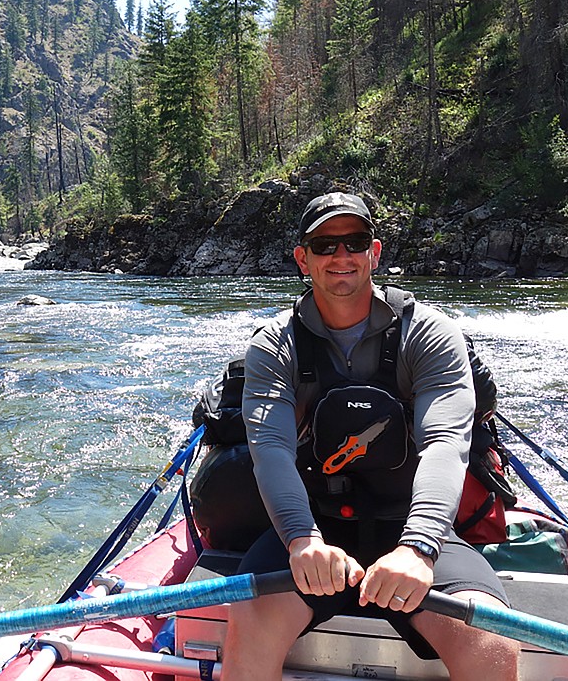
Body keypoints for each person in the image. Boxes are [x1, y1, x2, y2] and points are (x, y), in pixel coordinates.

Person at [220, 192, 519, 681]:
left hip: (415, 528)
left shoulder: (429, 333)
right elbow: (270, 449)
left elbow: (446, 445)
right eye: (324, 245)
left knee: (490, 643)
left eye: (354, 242)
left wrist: (418, 548)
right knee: (250, 618)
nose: (341, 256)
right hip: (315, 530)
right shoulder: (274, 344)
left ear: (374, 253)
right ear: (303, 259)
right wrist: (301, 540)